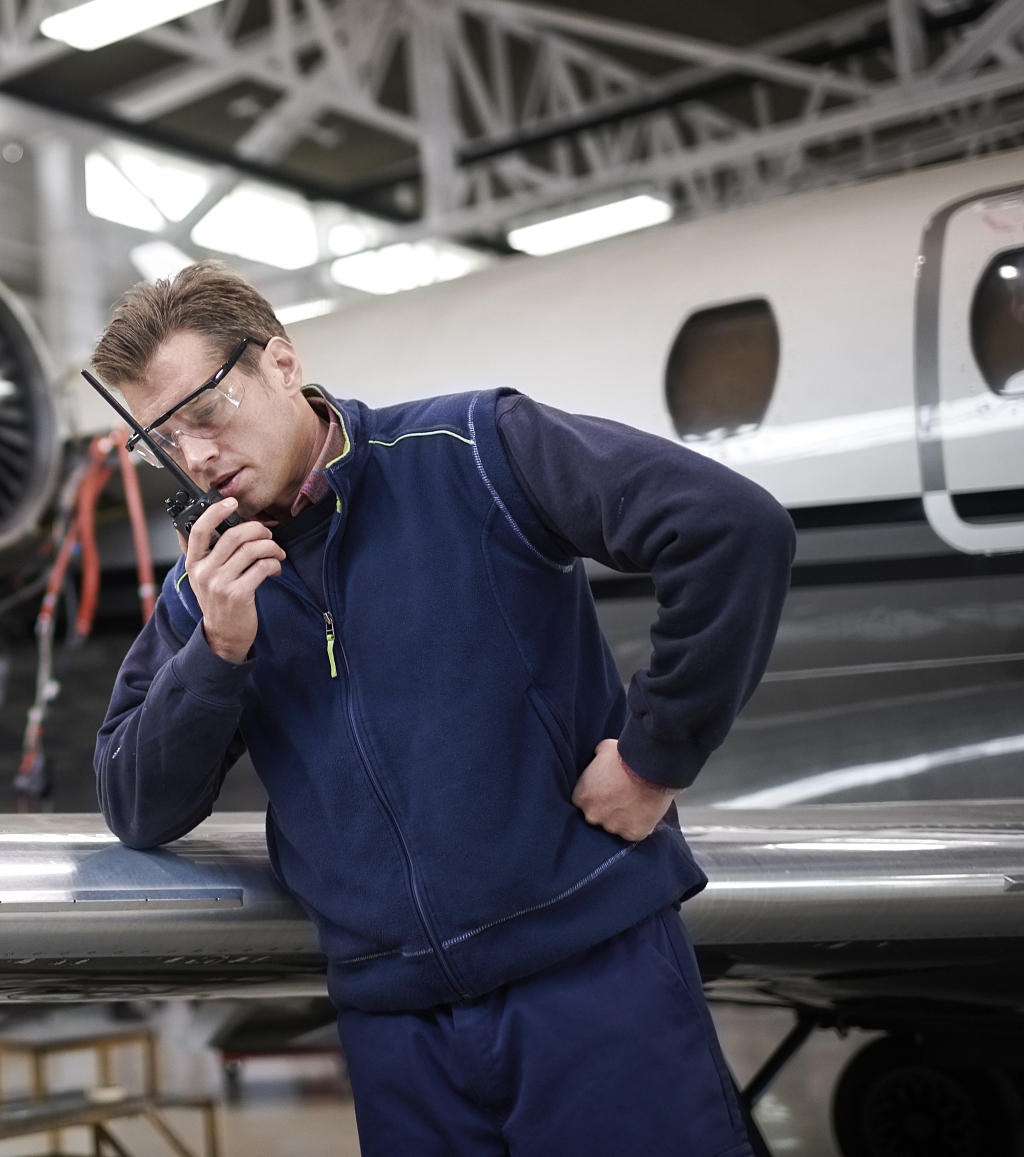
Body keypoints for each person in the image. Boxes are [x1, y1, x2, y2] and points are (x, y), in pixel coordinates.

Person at [92, 261, 794, 1157]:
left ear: (279, 360)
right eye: (163, 437)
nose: (194, 456)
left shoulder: (476, 449)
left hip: (586, 976)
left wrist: (656, 753)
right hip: (397, 1029)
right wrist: (217, 653)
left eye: (207, 411)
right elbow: (134, 800)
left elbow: (732, 528)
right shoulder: (209, 583)